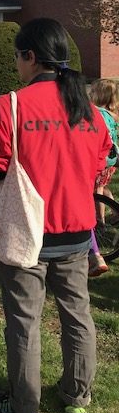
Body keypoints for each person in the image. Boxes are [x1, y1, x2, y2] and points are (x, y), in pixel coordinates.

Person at [0, 18, 111, 413]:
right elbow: (102, 163)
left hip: (26, 233)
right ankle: (76, 399)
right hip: (75, 233)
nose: (17, 63)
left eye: (18, 55)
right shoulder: (90, 111)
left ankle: (24, 408)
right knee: (77, 316)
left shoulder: (9, 107)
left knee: (24, 322)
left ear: (30, 57)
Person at [88, 78, 119, 276]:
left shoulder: (98, 114)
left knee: (96, 191)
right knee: (104, 188)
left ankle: (99, 220)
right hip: (112, 162)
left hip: (101, 160)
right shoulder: (113, 115)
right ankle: (115, 211)